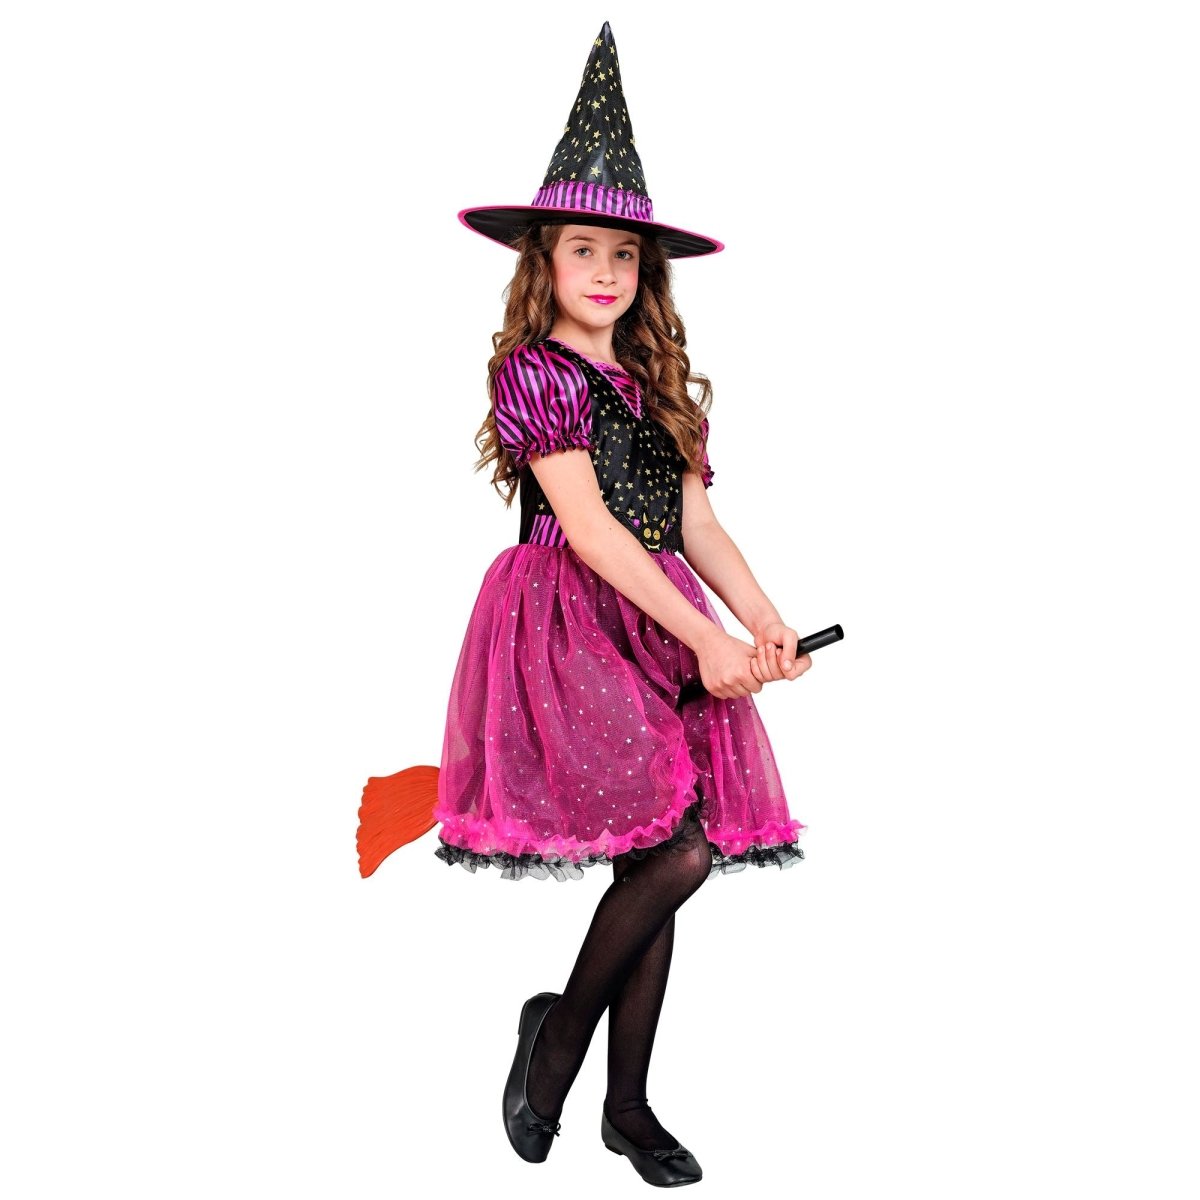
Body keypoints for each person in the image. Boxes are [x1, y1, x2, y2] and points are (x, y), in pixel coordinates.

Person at [355, 23, 812, 1188]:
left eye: (623, 254)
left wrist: (761, 621)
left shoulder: (658, 391)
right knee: (674, 851)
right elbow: (596, 528)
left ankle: (624, 1103)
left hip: (660, 617)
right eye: (581, 250)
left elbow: (696, 527)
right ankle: (558, 1039)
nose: (605, 271)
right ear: (543, 263)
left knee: (663, 857)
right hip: (571, 626)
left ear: (645, 271)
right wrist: (704, 637)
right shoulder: (534, 372)